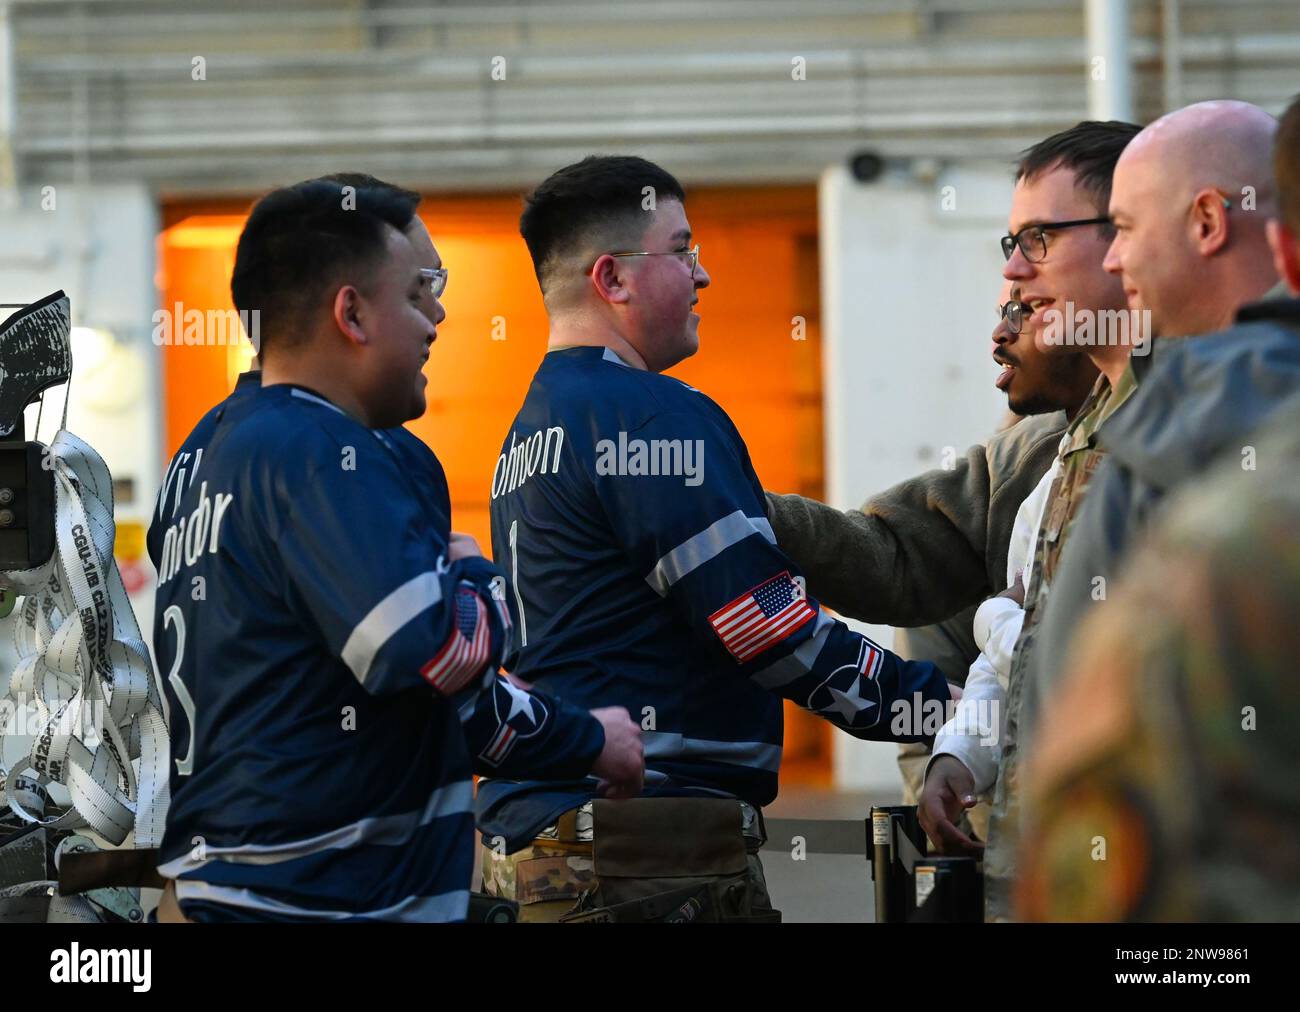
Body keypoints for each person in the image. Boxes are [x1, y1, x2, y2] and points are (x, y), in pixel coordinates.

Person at [147, 176, 643, 922]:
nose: (439, 317)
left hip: (226, 887)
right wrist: (479, 576)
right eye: (418, 293)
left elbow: (392, 694)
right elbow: (424, 651)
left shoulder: (203, 455)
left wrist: (578, 739)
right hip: (312, 902)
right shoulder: (319, 448)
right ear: (349, 311)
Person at [478, 155, 955, 923]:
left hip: (534, 853)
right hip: (646, 855)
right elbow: (767, 624)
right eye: (681, 249)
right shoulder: (654, 416)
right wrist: (941, 711)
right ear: (613, 278)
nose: (702, 274)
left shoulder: (529, 432)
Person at [1023, 98, 1294, 752]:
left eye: (1124, 227)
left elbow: (1079, 722)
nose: (1115, 260)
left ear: (1207, 221)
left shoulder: (1164, 430)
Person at [1017, 399, 1300, 921]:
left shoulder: (1241, 539)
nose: (1004, 330)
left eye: (1026, 309)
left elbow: (1087, 864)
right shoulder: (1070, 449)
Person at [895, 278, 1097, 842]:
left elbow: (1097, 664)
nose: (1000, 334)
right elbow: (994, 679)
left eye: (1028, 310)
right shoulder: (1056, 474)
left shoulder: (1156, 442)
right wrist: (954, 758)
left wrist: (998, 621)